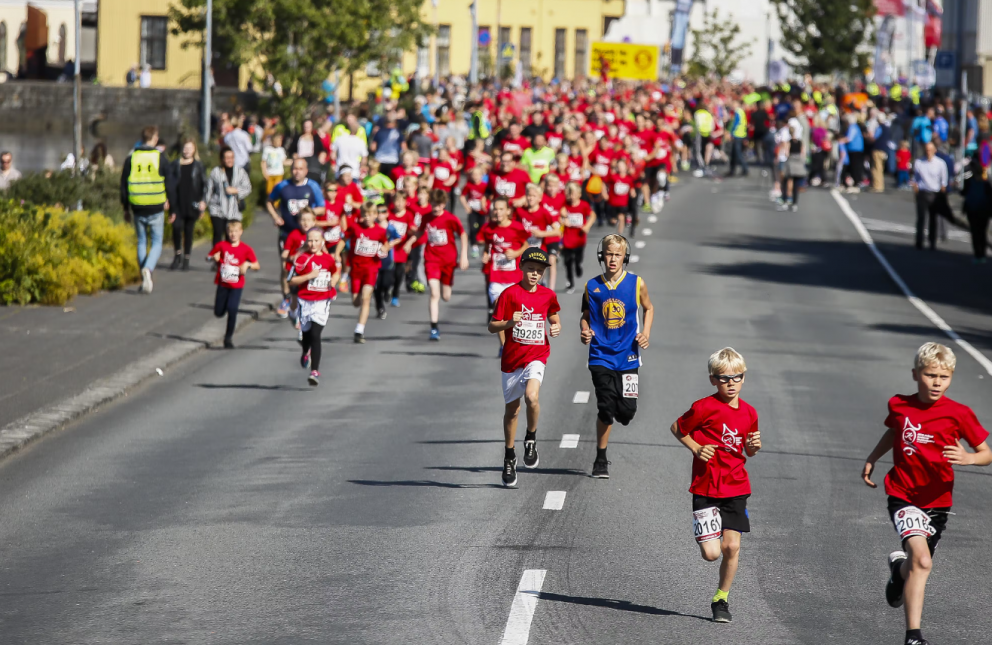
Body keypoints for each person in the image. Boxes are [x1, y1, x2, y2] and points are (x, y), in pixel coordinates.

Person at [861, 343, 990, 645]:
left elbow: (986, 452)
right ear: (915, 374)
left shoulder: (959, 414)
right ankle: (914, 637)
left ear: (951, 378)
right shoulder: (899, 405)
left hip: (938, 502)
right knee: (923, 560)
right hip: (903, 494)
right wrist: (872, 459)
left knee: (916, 563)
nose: (936, 382)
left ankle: (898, 571)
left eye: (943, 377)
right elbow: (894, 431)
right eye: (930, 375)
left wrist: (970, 458)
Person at [669, 347, 761, 624]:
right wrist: (696, 448)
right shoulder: (703, 407)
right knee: (711, 554)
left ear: (744, 378)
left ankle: (721, 599)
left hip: (736, 486)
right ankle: (710, 534)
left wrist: (754, 447)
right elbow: (677, 428)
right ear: (713, 379)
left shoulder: (749, 412)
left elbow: (748, 449)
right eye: (724, 378)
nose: (731, 383)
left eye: (737, 377)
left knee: (731, 547)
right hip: (706, 486)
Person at [579, 233, 654, 479]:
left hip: (628, 356)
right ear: (602, 255)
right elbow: (586, 314)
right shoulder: (592, 286)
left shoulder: (637, 283)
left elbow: (649, 308)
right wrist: (584, 330)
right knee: (606, 406)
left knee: (626, 413)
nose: (613, 259)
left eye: (618, 255)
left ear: (625, 257)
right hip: (600, 354)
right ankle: (601, 458)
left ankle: (621, 413)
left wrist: (645, 333)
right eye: (609, 254)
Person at [489, 247, 562, 488]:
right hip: (512, 360)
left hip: (536, 355)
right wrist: (511, 322)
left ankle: (530, 438)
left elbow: (553, 315)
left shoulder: (547, 295)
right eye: (531, 269)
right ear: (522, 268)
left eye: (539, 271)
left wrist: (556, 326)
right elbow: (493, 325)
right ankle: (509, 455)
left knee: (532, 397)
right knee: (512, 411)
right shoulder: (509, 294)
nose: (534, 274)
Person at [406, 189, 469, 341]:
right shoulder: (426, 217)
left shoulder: (450, 219)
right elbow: (420, 232)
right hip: (431, 259)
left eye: (439, 205)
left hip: (448, 260)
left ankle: (444, 287)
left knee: (446, 296)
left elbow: (462, 234)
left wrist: (464, 256)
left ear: (444, 204)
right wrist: (409, 242)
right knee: (434, 294)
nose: (436, 208)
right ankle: (434, 328)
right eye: (434, 204)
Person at [268, 158, 326, 317]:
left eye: (300, 169)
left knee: (305, 266)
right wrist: (275, 217)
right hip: (287, 233)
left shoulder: (312, 186)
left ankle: (303, 299)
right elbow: (269, 201)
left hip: (308, 235)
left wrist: (307, 213)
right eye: (294, 169)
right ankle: (287, 298)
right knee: (285, 266)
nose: (297, 172)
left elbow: (322, 208)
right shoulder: (282, 186)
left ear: (306, 170)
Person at [121, 126, 175, 294]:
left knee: (142, 241)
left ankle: (144, 276)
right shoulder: (160, 157)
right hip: (156, 205)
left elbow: (123, 185)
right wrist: (171, 204)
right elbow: (170, 183)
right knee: (157, 241)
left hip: (137, 205)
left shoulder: (131, 158)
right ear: (155, 138)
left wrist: (125, 208)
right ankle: (148, 269)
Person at [289, 227, 340, 386]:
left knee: (316, 335)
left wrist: (334, 282)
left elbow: (336, 272)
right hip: (305, 301)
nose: (313, 243)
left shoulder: (328, 259)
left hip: (322, 301)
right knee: (306, 334)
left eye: (316, 240)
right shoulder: (302, 259)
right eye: (310, 240)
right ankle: (305, 351)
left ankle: (315, 371)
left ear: (322, 242)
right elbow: (292, 281)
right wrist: (309, 276)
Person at [337, 202, 391, 343]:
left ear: (375, 215)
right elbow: (343, 239)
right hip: (355, 269)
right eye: (365, 215)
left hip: (371, 269)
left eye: (371, 215)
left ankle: (359, 331)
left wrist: (384, 249)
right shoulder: (355, 228)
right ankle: (358, 299)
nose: (367, 218)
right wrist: (337, 253)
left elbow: (385, 243)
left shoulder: (380, 231)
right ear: (361, 215)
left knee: (366, 298)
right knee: (356, 302)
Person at [480, 197, 529, 348]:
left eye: (501, 209)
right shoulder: (489, 228)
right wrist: (485, 254)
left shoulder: (517, 227)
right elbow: (487, 245)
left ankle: (517, 341)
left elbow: (526, 245)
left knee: (514, 314)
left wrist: (516, 253)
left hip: (514, 277)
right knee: (499, 312)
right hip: (496, 277)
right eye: (495, 209)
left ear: (508, 211)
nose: (498, 212)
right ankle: (504, 347)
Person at [207, 220, 260, 349]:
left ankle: (228, 337)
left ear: (241, 232)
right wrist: (213, 258)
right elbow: (208, 256)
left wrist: (247, 264)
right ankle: (222, 308)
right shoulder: (222, 245)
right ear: (227, 232)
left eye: (236, 231)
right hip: (223, 283)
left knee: (233, 310)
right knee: (218, 312)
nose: (233, 234)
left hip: (237, 285)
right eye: (231, 232)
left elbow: (257, 265)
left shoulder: (246, 249)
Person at [169, 138, 207, 270]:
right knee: (176, 228)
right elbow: (169, 184)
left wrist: (203, 201)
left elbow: (204, 185)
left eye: (190, 148)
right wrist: (168, 200)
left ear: (194, 150)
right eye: (185, 148)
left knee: (189, 230)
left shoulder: (198, 165)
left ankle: (186, 258)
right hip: (178, 202)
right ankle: (177, 254)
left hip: (192, 202)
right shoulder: (175, 164)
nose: (187, 151)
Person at [205, 146, 252, 245]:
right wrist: (204, 203)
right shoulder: (216, 172)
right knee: (217, 233)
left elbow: (248, 187)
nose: (229, 160)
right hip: (217, 208)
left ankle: (229, 258)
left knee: (231, 236)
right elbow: (209, 190)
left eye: (231, 157)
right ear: (222, 159)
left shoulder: (240, 172)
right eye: (227, 158)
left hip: (234, 209)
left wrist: (236, 190)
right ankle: (217, 257)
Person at [560, 182, 596, 293]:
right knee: (567, 262)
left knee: (577, 259)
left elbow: (592, 215)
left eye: (573, 193)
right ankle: (570, 283)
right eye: (569, 193)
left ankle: (578, 266)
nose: (571, 196)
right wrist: (562, 219)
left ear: (579, 194)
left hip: (579, 239)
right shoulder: (565, 205)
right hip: (567, 238)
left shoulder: (584, 205)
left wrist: (587, 226)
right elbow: (557, 216)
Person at [911, 141, 947, 251]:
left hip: (934, 193)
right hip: (922, 192)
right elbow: (915, 179)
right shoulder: (919, 162)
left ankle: (932, 242)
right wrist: (916, 189)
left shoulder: (940, 163)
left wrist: (941, 194)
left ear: (934, 151)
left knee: (933, 219)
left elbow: (943, 181)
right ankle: (919, 241)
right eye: (926, 150)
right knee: (921, 218)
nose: (928, 152)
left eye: (930, 150)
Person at [961, 155, 992, 263]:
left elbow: (964, 193)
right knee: (982, 232)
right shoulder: (986, 183)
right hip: (983, 211)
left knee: (975, 232)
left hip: (973, 210)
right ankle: (982, 254)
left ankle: (977, 254)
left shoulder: (970, 182)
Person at [288, 118, 328, 183]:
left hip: (312, 162)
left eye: (308, 127)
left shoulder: (315, 137)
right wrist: (294, 155)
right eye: (305, 126)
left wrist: (322, 155)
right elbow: (291, 150)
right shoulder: (298, 137)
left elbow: (322, 149)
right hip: (300, 160)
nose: (306, 128)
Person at [261, 132, 289, 197]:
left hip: (279, 173)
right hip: (270, 173)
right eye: (278, 141)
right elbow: (263, 162)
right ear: (273, 141)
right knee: (269, 191)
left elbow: (284, 161)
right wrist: (264, 172)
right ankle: (269, 203)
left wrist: (293, 161)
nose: (279, 142)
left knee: (278, 189)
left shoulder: (281, 150)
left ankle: (276, 205)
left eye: (280, 141)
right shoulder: (267, 149)